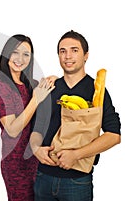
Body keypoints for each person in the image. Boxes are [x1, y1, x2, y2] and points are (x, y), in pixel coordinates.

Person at [30, 30, 121, 201]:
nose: (67, 56)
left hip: (76, 181)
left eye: (74, 50)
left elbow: (114, 136)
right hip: (43, 177)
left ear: (86, 55)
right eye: (62, 51)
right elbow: (36, 129)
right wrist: (35, 148)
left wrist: (76, 154)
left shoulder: (96, 91)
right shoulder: (49, 88)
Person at [0, 34, 55, 201]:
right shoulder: (0, 87)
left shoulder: (31, 84)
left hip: (39, 160)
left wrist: (56, 80)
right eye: (15, 52)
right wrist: (35, 99)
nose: (20, 58)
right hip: (16, 164)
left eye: (26, 54)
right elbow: (12, 129)